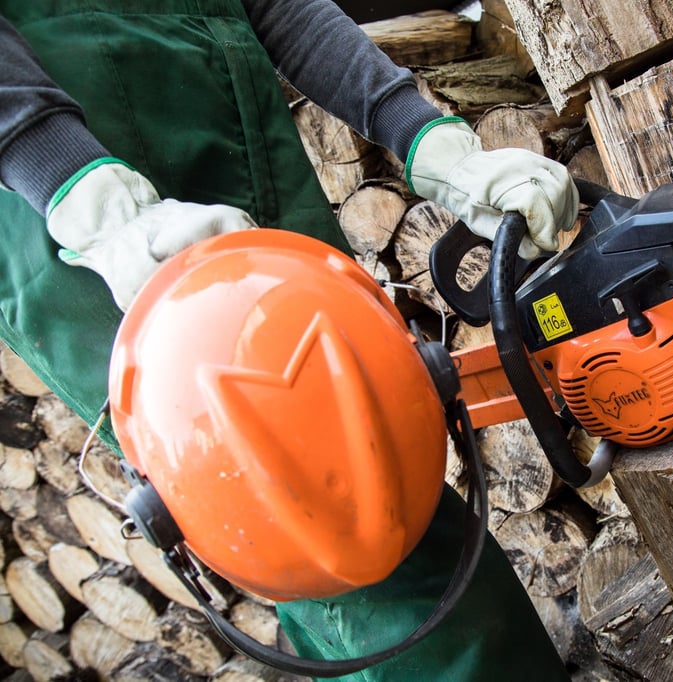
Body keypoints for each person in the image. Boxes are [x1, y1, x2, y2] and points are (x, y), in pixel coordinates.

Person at [0, 1, 577, 679]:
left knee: (350, 530)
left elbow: (282, 6)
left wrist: (428, 140)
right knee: (355, 537)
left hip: (231, 120)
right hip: (74, 207)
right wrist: (86, 197)